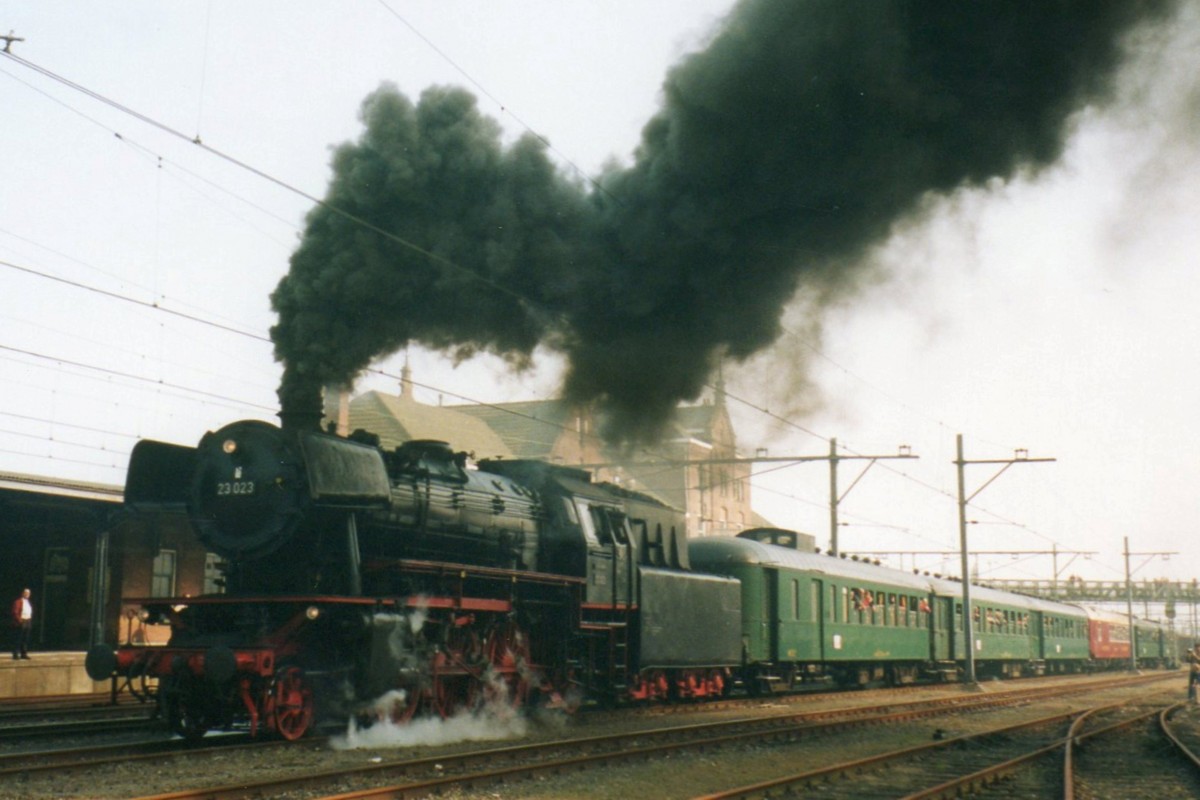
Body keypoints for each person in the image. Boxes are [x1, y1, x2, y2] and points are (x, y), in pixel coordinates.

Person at [10, 588, 32, 660]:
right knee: (18, 638)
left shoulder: (28, 602)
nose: (27, 594)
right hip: (21, 621)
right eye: (26, 593)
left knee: (25, 639)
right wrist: (19, 620)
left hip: (27, 621)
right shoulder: (18, 601)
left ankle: (23, 653)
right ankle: (15, 654)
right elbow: (15, 612)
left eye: (28, 593)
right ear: (22, 593)